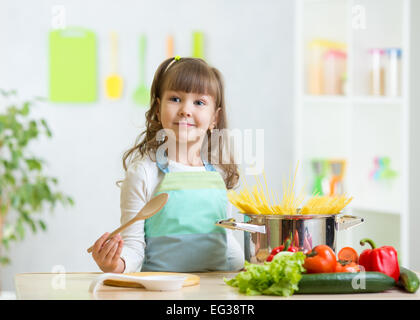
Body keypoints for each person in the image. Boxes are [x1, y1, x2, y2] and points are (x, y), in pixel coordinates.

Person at [91, 56, 244, 273]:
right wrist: (115, 263)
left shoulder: (219, 175)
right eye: (175, 99)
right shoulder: (144, 173)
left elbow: (226, 243)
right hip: (159, 292)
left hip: (215, 292)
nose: (185, 110)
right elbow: (134, 249)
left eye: (199, 102)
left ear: (214, 118)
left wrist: (253, 267)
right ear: (157, 108)